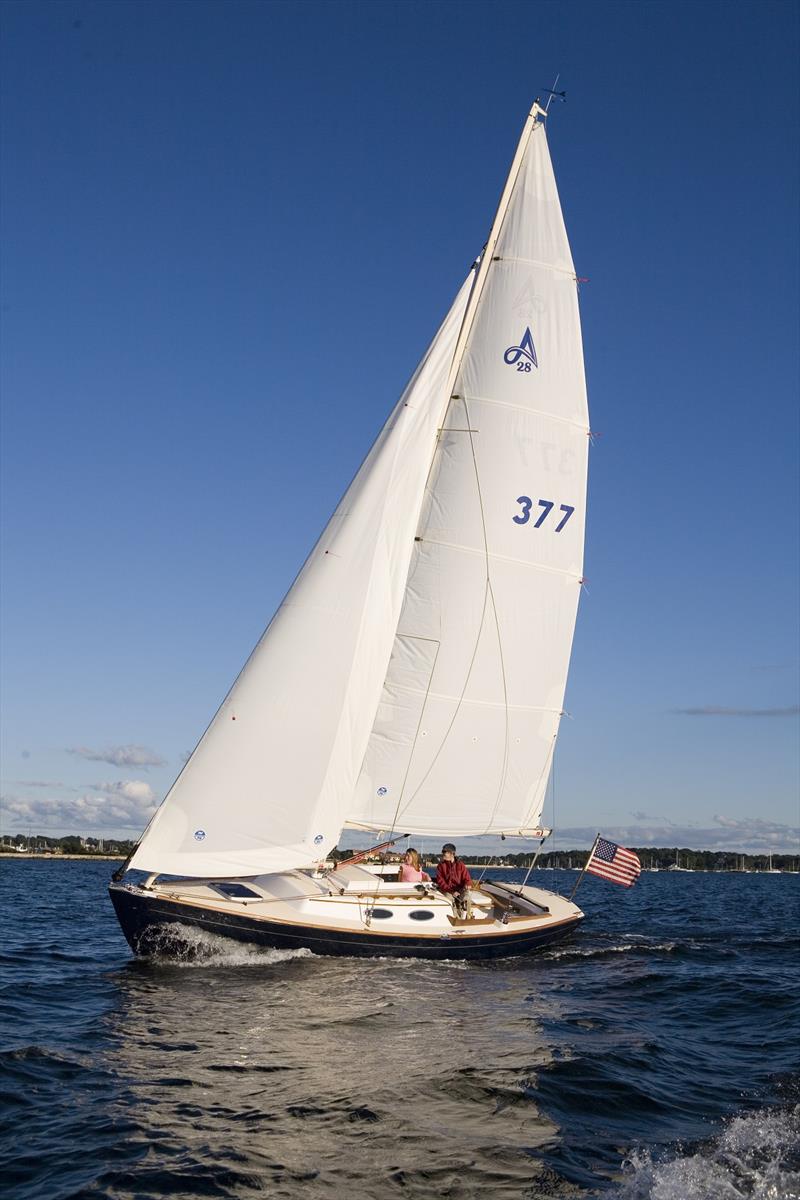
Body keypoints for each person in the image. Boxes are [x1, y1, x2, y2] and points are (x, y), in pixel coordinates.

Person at [435, 843, 473, 917]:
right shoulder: (440, 866)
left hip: (460, 890)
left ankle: (468, 917)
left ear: (452, 854)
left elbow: (467, 879)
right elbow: (441, 882)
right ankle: (456, 918)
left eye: (445, 852)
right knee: (448, 899)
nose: (443, 853)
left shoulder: (460, 865)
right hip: (448, 890)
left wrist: (467, 885)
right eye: (443, 851)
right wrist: (452, 891)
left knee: (467, 897)